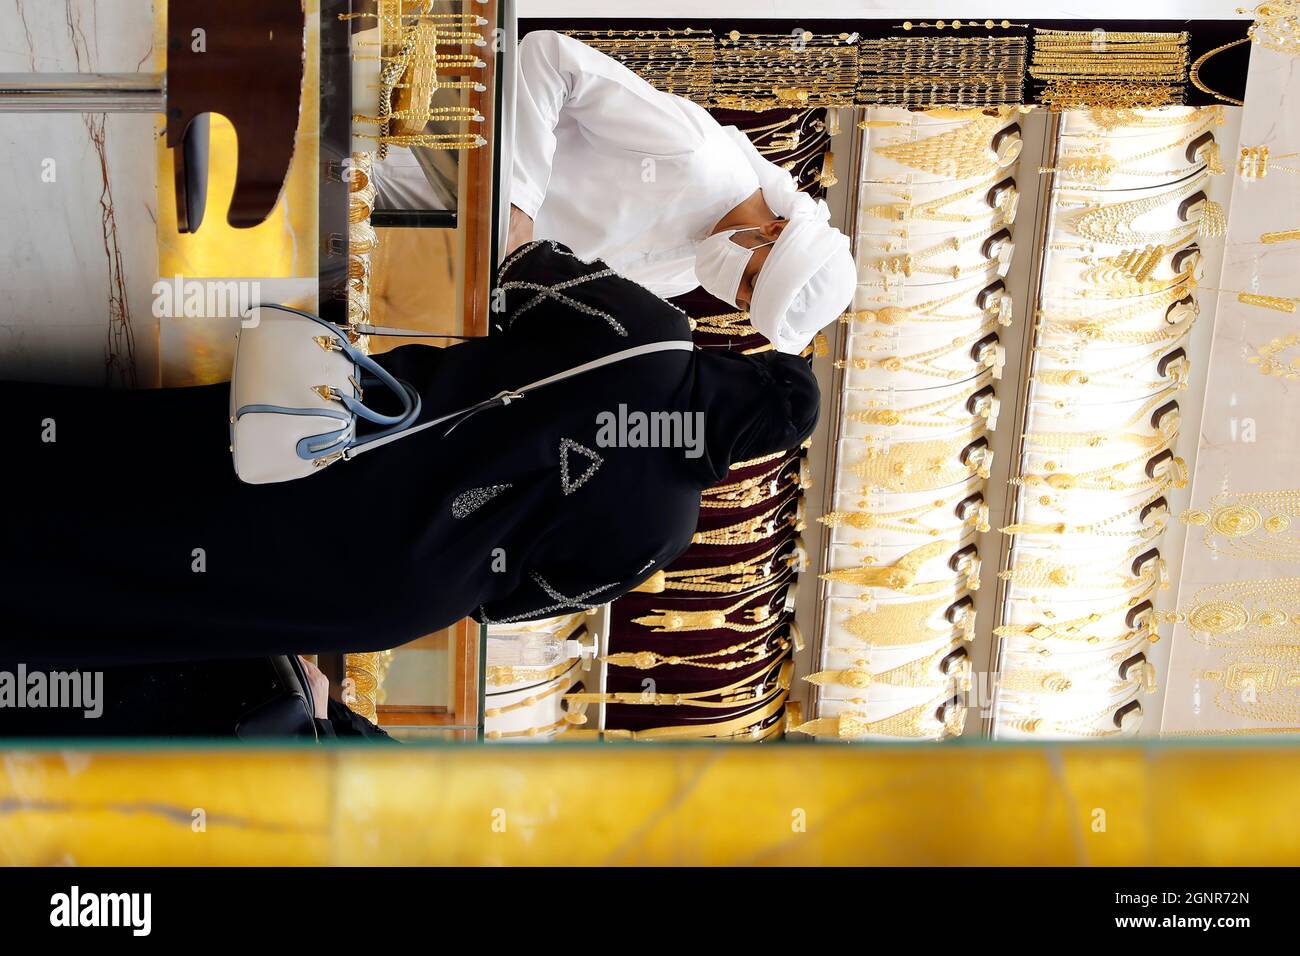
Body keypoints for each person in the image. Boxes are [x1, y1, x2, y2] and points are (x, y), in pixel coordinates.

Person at [0, 240, 818, 664]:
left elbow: (521, 278)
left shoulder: (652, 339)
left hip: (354, 456)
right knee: (158, 606)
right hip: (390, 593)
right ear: (751, 454)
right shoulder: (666, 532)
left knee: (137, 478)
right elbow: (515, 605)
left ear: (746, 360)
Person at [508, 30, 857, 354]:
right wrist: (517, 210)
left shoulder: (686, 275)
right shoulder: (694, 156)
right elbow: (549, 57)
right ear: (776, 230)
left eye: (745, 305)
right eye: (752, 281)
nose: (736, 293)